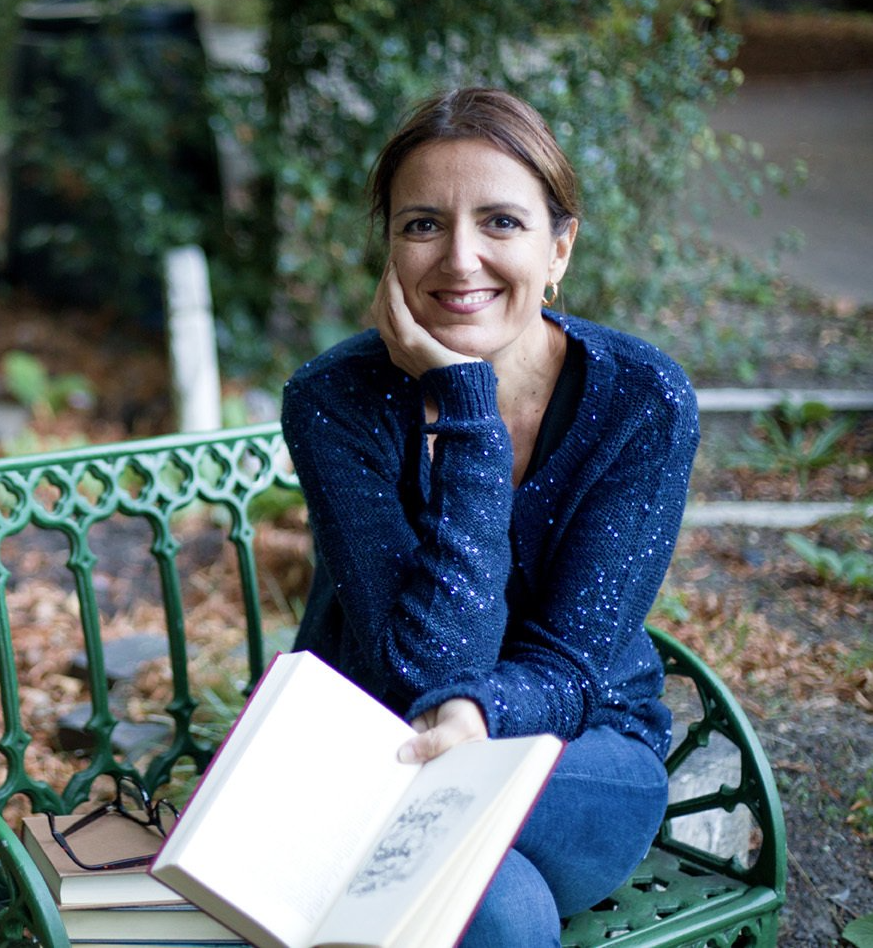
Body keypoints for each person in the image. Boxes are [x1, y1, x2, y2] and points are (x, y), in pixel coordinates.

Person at [281, 87, 700, 946]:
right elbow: (415, 673)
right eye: (423, 225)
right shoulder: (334, 402)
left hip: (577, 754)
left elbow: (573, 665)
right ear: (390, 248)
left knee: (465, 862)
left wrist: (475, 716)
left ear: (559, 248)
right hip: (386, 749)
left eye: (501, 222)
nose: (460, 258)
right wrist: (468, 407)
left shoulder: (642, 401)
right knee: (500, 911)